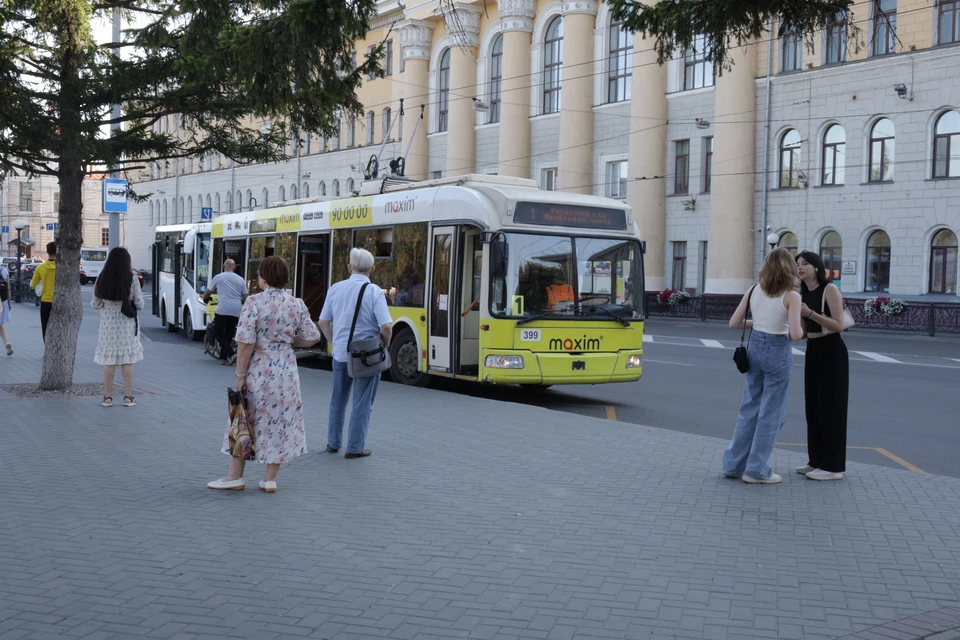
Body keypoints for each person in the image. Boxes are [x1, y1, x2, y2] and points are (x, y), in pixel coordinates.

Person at [208, 256, 322, 493]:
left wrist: (240, 374)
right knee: (279, 421)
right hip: (286, 370)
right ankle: (269, 479)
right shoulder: (296, 303)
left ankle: (234, 476)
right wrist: (289, 341)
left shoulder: (254, 302)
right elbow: (314, 337)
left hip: (259, 368)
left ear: (264, 278)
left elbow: (245, 342)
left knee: (243, 416)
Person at [722, 248, 805, 484]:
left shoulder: (754, 290)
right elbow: (797, 334)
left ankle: (733, 465)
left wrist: (758, 321)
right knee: (771, 413)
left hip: (755, 347)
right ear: (789, 268)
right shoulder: (792, 296)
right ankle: (756, 470)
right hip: (778, 350)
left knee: (749, 408)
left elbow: (734, 323)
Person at [317, 248, 393, 459]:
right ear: (373, 269)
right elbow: (386, 327)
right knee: (362, 403)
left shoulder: (335, 289)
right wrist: (385, 347)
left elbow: (323, 322)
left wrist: (336, 342)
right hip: (366, 358)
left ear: (349, 267)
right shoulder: (374, 291)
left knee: (338, 399)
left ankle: (333, 443)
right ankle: (355, 447)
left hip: (341, 355)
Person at [796, 250, 849, 481]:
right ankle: (816, 460)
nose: (800, 267)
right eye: (797, 264)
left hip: (832, 351)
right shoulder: (802, 293)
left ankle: (833, 467)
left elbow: (838, 325)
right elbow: (803, 332)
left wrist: (811, 313)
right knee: (814, 408)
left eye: (805, 263)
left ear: (817, 267)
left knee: (832, 409)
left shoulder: (830, 290)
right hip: (813, 350)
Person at [92, 247, 144, 408]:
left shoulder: (103, 277)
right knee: (126, 361)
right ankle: (128, 397)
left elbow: (95, 303)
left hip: (108, 326)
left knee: (109, 362)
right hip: (127, 325)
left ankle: (108, 398)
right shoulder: (132, 278)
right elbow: (139, 303)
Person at [204, 259, 249, 365]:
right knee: (229, 333)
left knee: (217, 332)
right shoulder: (240, 279)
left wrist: (206, 299)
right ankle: (224, 358)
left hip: (222, 309)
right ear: (234, 267)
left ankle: (232, 353)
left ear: (224, 267)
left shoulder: (219, 277)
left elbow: (208, 292)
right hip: (236, 310)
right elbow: (246, 296)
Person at [30, 242, 57, 341]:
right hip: (59, 301)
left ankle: (47, 351)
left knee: (45, 326)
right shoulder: (62, 268)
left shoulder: (40, 268)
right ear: (57, 251)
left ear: (47, 251)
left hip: (45, 300)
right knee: (58, 327)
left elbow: (33, 285)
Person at [0, 263, 12, 355]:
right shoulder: (3, 269)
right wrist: (9, 302)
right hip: (3, 301)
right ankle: (6, 342)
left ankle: (6, 342)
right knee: (0, 324)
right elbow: (8, 287)